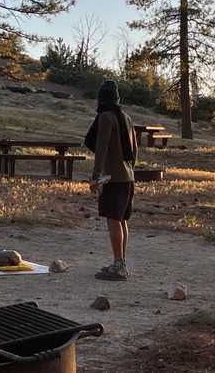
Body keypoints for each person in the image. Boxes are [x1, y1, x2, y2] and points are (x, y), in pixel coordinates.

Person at [84, 80, 138, 281]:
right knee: (122, 220)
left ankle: (119, 265)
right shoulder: (126, 117)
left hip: (112, 178)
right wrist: (131, 169)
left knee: (113, 220)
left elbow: (102, 147)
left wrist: (96, 176)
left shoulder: (105, 118)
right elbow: (134, 150)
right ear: (117, 98)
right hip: (127, 176)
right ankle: (120, 262)